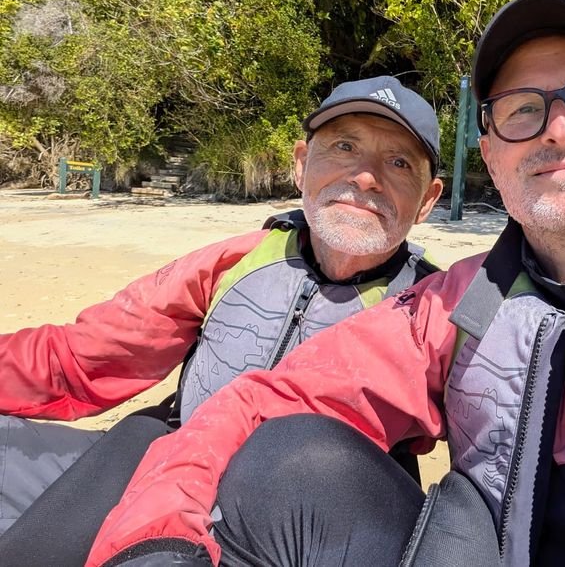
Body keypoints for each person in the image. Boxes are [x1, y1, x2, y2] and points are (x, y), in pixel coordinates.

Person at [88, 0, 565, 567]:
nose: (560, 127)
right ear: (489, 156)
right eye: (522, 110)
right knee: (291, 459)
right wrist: (155, 539)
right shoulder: (450, 306)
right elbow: (268, 402)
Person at [0, 75, 444, 562]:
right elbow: (83, 355)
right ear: (300, 164)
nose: (365, 177)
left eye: (398, 162)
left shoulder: (435, 310)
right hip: (168, 466)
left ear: (426, 200)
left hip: (304, 522)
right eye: (344, 146)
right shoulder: (236, 261)